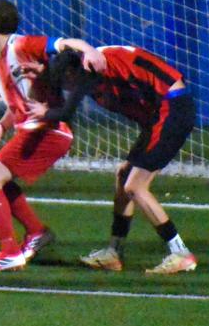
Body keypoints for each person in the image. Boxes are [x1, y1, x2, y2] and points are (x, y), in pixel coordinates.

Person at [30, 46, 198, 275]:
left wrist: (44, 113)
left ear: (71, 73)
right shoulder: (90, 65)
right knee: (124, 176)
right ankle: (114, 252)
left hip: (173, 109)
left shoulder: (91, 68)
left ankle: (181, 253)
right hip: (164, 111)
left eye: (64, 81)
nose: (65, 87)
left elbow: (65, 113)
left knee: (135, 186)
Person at [0, 0, 106, 273]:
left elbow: (64, 44)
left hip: (48, 131)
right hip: (34, 131)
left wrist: (88, 49)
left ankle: (9, 252)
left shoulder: (21, 45)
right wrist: (0, 127)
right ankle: (36, 233)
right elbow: (18, 104)